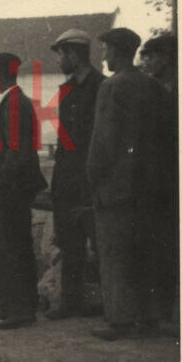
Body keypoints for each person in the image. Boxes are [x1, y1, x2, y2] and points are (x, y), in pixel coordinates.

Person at [86, 27, 165, 340]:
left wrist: (93, 177)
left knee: (115, 253)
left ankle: (119, 321)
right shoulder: (153, 86)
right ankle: (150, 318)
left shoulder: (111, 87)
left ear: (117, 51)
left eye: (105, 49)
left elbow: (103, 140)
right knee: (146, 252)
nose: (103, 55)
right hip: (149, 185)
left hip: (116, 186)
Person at [0, 52, 47, 330]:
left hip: (11, 187)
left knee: (10, 247)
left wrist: (4, 188)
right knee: (14, 245)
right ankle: (17, 305)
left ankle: (19, 310)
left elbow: (17, 154)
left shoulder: (16, 103)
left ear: (1, 75)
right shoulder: (13, 101)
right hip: (13, 185)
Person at [45, 29, 105, 319]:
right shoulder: (66, 90)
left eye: (61, 55)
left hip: (93, 178)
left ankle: (114, 307)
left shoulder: (102, 87)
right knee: (70, 243)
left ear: (74, 54)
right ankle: (71, 304)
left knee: (101, 243)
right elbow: (63, 142)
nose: (59, 62)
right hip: (68, 178)